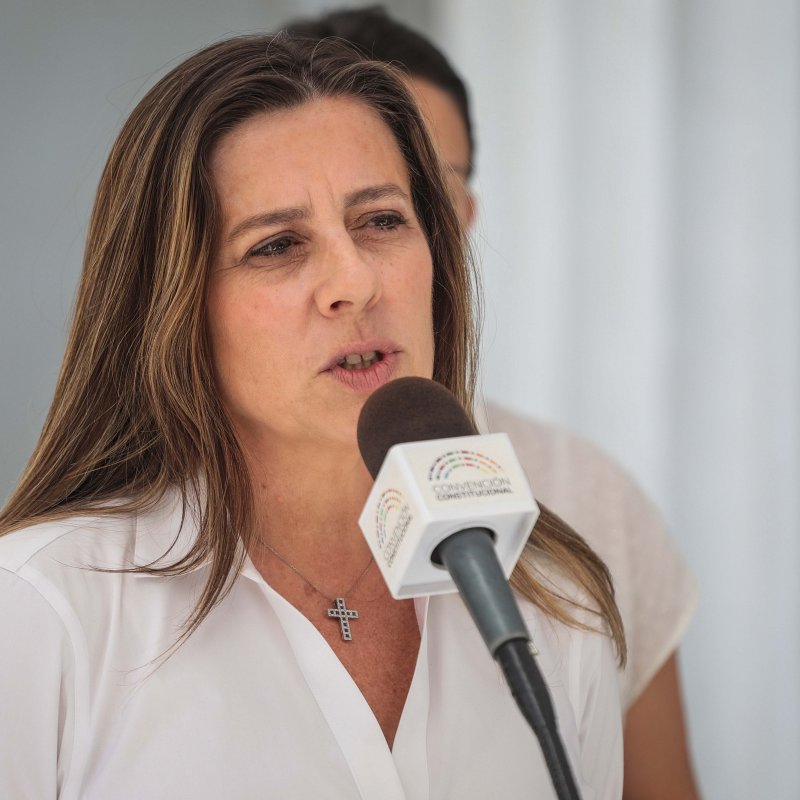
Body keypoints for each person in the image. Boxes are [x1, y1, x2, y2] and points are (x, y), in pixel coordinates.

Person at [0, 33, 627, 798]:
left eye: (381, 221)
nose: (355, 282)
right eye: (277, 245)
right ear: (173, 304)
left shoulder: (555, 610)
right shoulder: (39, 611)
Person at [284, 7, 700, 799]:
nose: (356, 273)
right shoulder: (90, 575)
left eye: (396, 207)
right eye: (286, 236)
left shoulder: (589, 504)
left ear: (462, 215)